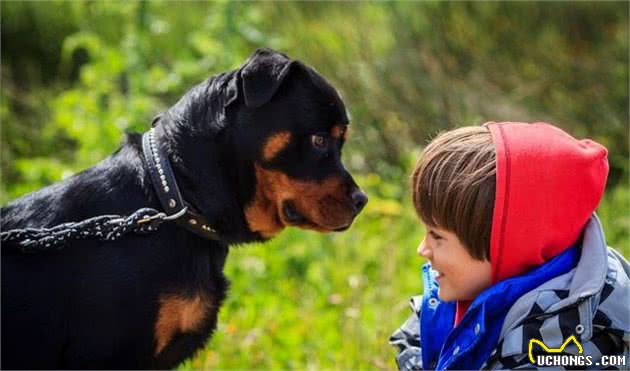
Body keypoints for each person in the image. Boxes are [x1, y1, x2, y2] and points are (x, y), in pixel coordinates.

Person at [389, 122, 629, 370]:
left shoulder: (563, 350)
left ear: (507, 245)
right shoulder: (453, 302)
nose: (422, 249)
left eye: (437, 236)